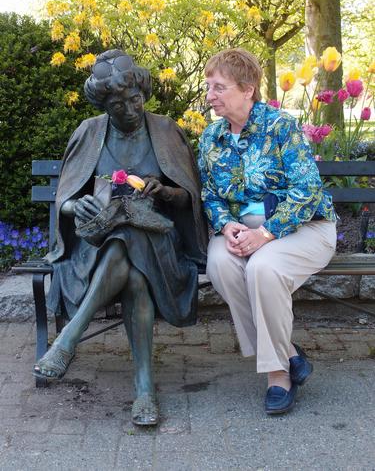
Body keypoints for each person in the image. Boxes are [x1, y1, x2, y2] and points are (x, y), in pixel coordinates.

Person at [34, 49, 207, 426]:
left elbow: (187, 198)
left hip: (158, 239)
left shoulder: (165, 130)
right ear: (105, 106)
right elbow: (66, 199)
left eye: (135, 99)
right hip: (94, 242)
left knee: (130, 235)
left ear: (143, 93)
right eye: (118, 105)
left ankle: (68, 340)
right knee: (130, 265)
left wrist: (164, 192)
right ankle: (143, 389)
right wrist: (74, 208)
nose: (130, 110)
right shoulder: (88, 132)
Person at [198, 48, 337, 415]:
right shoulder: (211, 138)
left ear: (248, 89)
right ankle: (290, 354)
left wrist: (267, 233)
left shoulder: (281, 127)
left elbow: (307, 191)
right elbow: (208, 194)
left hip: (303, 227)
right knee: (221, 264)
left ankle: (278, 375)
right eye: (208, 87)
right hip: (242, 231)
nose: (210, 95)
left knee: (263, 268)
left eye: (219, 87)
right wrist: (226, 226)